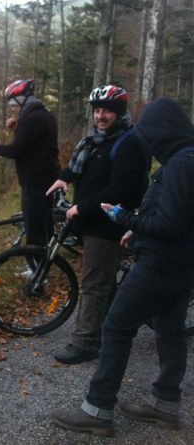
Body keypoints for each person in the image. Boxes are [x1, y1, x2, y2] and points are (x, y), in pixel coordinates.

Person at [51, 97, 194, 437]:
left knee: (115, 326)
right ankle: (164, 406)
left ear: (161, 132)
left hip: (162, 263)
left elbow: (170, 227)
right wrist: (137, 226)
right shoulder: (187, 158)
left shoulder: (180, 166)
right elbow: (178, 217)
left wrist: (123, 217)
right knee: (169, 328)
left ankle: (97, 410)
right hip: (182, 264)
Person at [45, 86, 149, 365]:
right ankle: (107, 331)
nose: (100, 116)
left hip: (108, 225)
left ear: (119, 113)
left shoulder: (129, 143)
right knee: (105, 282)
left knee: (94, 285)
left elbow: (121, 189)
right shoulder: (99, 140)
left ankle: (85, 343)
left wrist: (82, 206)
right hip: (93, 223)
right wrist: (64, 178)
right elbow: (85, 167)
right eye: (97, 110)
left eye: (107, 111)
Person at [0, 79, 59, 247]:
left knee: (33, 225)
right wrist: (18, 129)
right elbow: (34, 143)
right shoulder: (45, 115)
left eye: (13, 103)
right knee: (45, 223)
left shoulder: (31, 119)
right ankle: (43, 260)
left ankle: (35, 266)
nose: (12, 108)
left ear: (22, 99)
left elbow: (16, 150)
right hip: (48, 176)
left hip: (35, 180)